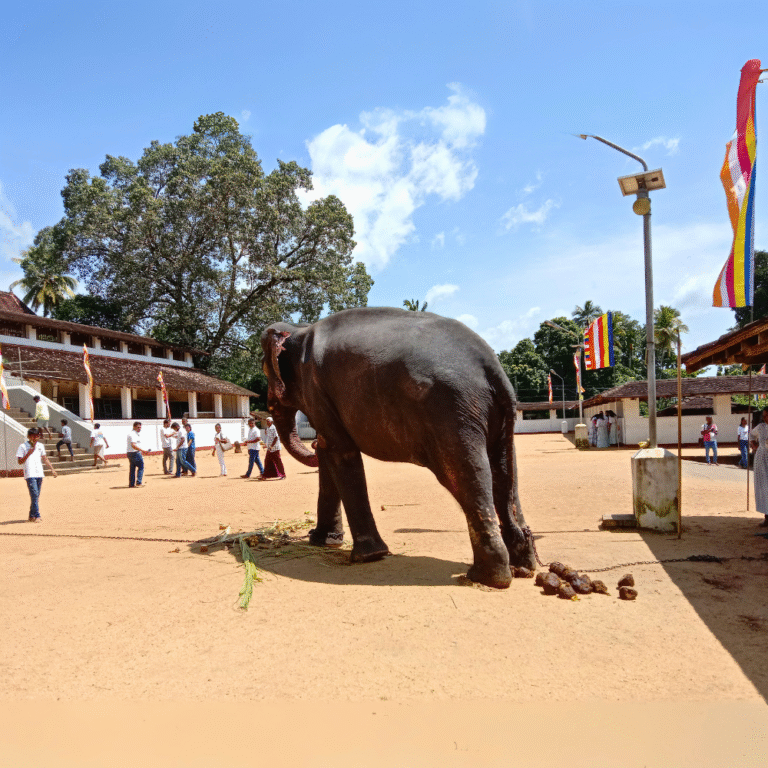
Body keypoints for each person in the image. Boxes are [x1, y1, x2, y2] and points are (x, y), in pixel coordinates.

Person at [17, 427, 57, 521]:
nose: (34, 438)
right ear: (28, 436)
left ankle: (31, 516)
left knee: (36, 496)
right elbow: (19, 461)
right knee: (34, 495)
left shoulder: (40, 446)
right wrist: (28, 454)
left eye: (36, 436)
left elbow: (45, 458)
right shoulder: (23, 446)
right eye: (32, 436)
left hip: (39, 473)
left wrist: (52, 469)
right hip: (30, 474)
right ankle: (37, 515)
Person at [750, 408, 768, 527]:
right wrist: (754, 445)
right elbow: (751, 435)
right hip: (762, 460)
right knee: (764, 488)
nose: (765, 418)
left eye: (767, 416)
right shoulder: (761, 427)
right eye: (764, 416)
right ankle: (767, 517)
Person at [126, 421, 150, 488]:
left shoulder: (132, 434)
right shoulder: (133, 434)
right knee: (141, 467)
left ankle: (131, 483)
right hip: (135, 452)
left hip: (130, 453)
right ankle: (139, 482)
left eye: (140, 427)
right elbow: (133, 445)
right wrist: (143, 450)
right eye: (138, 427)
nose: (139, 428)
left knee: (132, 468)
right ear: (134, 427)